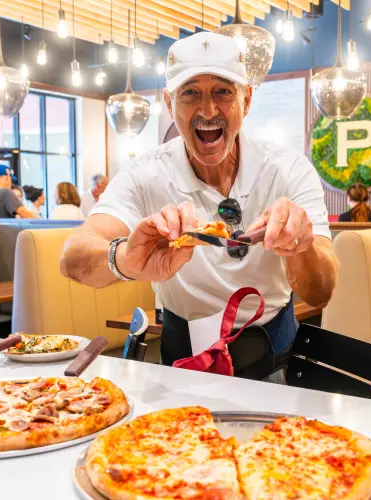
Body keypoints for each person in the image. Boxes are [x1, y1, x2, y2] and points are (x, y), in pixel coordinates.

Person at [60, 32, 338, 376]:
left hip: (276, 366)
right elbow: (73, 256)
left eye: (223, 92)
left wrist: (301, 247)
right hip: (181, 368)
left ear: (247, 100)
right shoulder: (146, 174)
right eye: (190, 93)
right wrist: (127, 260)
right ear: (169, 103)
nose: (208, 110)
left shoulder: (289, 169)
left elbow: (321, 292)